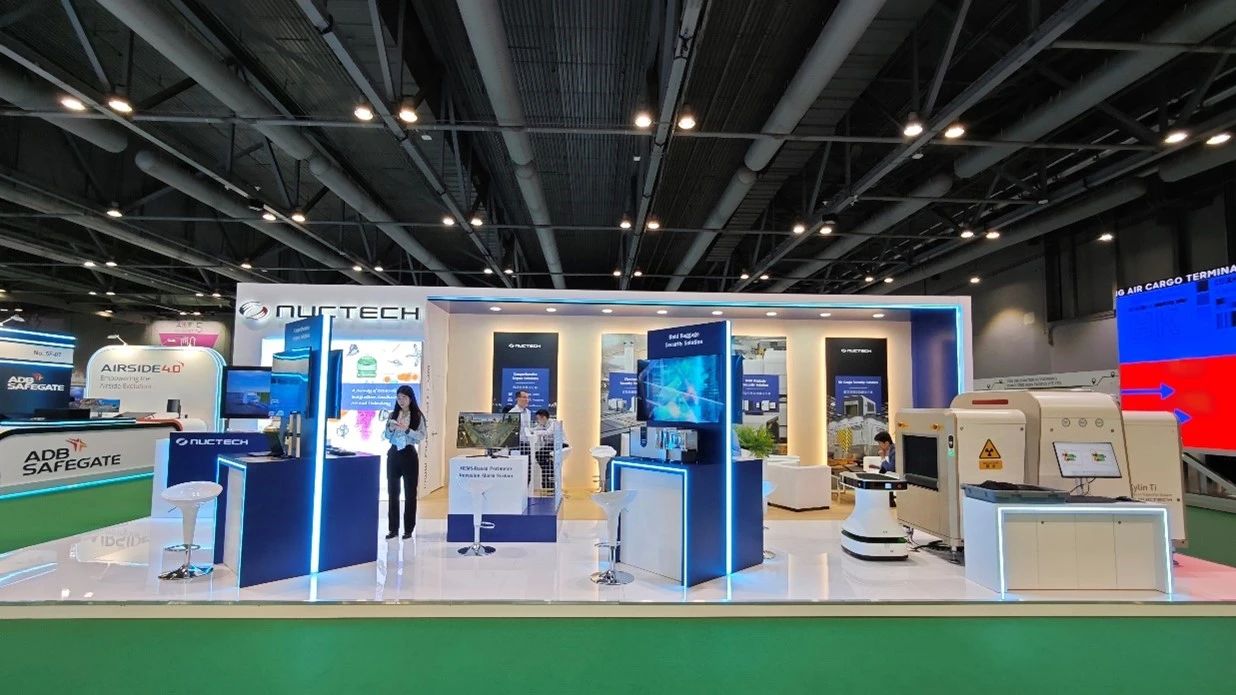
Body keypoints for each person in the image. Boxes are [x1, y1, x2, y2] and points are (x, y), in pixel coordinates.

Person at [384, 385, 426, 540]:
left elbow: (421, 436)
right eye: (398, 397)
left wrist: (407, 430)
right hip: (394, 453)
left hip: (409, 454)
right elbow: (387, 436)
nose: (401, 401)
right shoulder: (393, 414)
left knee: (410, 494)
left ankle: (408, 529)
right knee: (393, 493)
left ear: (410, 398)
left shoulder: (417, 416)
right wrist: (390, 428)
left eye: (404, 397)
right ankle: (393, 529)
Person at [874, 430, 896, 508]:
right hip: (894, 472)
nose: (879, 446)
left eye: (879, 443)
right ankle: (888, 499)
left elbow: (891, 469)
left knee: (883, 473)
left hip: (898, 474)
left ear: (886, 443)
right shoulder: (891, 449)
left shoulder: (894, 451)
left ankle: (888, 500)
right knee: (882, 471)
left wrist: (882, 457)